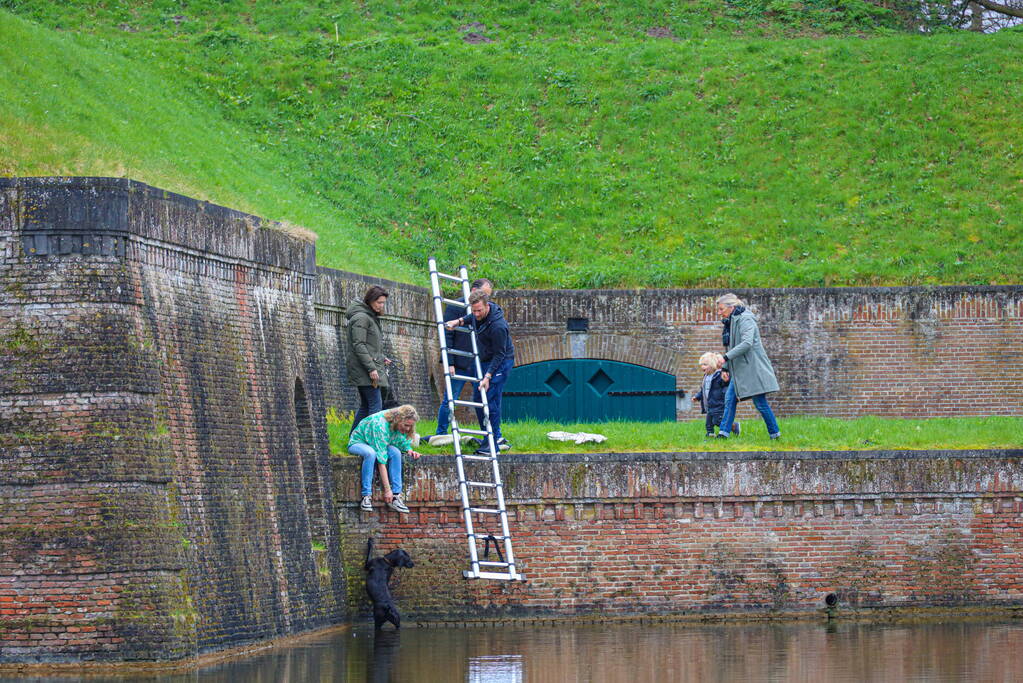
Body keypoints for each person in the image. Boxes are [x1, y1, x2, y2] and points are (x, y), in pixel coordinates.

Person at [445, 289, 514, 454]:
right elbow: (471, 319)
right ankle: (488, 437)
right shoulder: (476, 315)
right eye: (473, 310)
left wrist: (488, 376)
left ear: (487, 306)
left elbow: (500, 354)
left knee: (490, 400)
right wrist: (458, 321)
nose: (476, 314)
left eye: (479, 310)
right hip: (486, 360)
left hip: (501, 362)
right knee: (478, 398)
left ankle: (493, 443)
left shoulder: (498, 326)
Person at [433, 278, 493, 439]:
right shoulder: (456, 306)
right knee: (450, 398)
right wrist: (450, 362)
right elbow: (447, 334)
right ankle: (441, 434)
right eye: (484, 295)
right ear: (474, 291)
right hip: (459, 360)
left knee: (483, 399)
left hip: (478, 360)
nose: (487, 299)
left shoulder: (485, 309)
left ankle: (488, 434)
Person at [715, 293, 781, 439]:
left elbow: (746, 343)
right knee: (729, 399)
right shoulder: (731, 321)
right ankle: (723, 433)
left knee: (760, 403)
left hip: (752, 369)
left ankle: (775, 434)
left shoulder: (745, 319)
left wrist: (724, 358)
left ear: (731, 307)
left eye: (721, 309)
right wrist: (726, 367)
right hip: (740, 369)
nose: (719, 313)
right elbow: (731, 346)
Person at [348, 404, 422, 513]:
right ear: (398, 419)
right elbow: (381, 462)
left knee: (396, 452)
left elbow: (400, 440)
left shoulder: (396, 421)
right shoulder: (380, 425)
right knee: (371, 454)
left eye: (410, 426)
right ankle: (366, 496)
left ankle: (396, 496)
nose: (408, 429)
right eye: (406, 425)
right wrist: (387, 490)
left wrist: (409, 450)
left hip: (377, 442)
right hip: (359, 442)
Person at [345, 285, 391, 434]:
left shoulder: (368, 316)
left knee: (366, 405)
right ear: (370, 300)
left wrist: (382, 358)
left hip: (368, 367)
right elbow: (358, 345)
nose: (381, 306)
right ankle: (371, 438)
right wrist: (371, 368)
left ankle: (354, 437)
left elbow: (369, 346)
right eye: (379, 302)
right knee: (375, 406)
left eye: (383, 303)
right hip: (365, 369)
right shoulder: (362, 317)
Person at [693, 352, 739, 438]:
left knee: (717, 420)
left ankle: (734, 426)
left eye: (705, 364)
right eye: (701, 364)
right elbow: (703, 390)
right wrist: (698, 396)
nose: (702, 367)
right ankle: (710, 433)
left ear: (712, 365)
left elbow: (724, 385)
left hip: (718, 403)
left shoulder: (718, 375)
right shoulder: (706, 376)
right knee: (709, 422)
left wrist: (725, 381)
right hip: (710, 404)